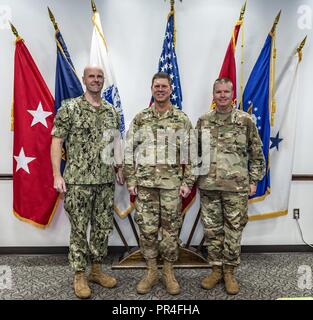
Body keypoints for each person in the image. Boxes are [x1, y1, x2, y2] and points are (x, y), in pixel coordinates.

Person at [50, 65, 124, 299]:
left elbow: (115, 142)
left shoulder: (111, 111)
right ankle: (79, 275)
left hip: (104, 181)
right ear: (83, 80)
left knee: (102, 228)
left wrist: (119, 166)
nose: (95, 80)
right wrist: (56, 175)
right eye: (91, 76)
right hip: (78, 182)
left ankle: (96, 270)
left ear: (103, 81)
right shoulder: (70, 108)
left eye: (99, 77)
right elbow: (56, 142)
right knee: (79, 230)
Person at [124, 72, 195, 295]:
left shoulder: (181, 119)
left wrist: (188, 182)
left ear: (171, 89)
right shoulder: (141, 118)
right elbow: (127, 150)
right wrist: (131, 179)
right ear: (152, 89)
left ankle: (168, 272)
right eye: (157, 86)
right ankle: (152, 271)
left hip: (172, 187)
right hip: (145, 186)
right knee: (146, 230)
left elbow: (193, 153)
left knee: (170, 231)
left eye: (164, 86)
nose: (160, 90)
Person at [196, 77, 265, 295]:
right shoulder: (204, 121)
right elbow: (195, 153)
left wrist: (254, 180)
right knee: (212, 231)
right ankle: (216, 270)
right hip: (209, 186)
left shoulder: (245, 121)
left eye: (226, 92)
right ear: (213, 94)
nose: (222, 96)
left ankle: (229, 272)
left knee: (233, 231)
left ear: (232, 94)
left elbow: (257, 154)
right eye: (218, 92)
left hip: (236, 188)